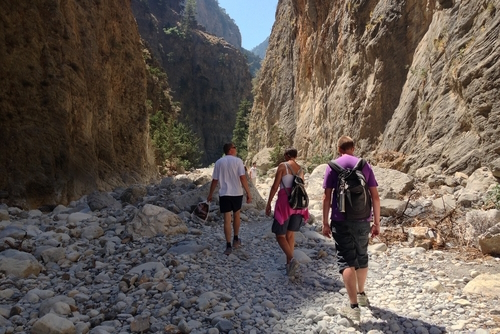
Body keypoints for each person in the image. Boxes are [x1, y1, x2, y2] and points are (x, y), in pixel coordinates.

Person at [322, 136, 381, 323]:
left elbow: (326, 197)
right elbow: (375, 197)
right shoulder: (365, 165)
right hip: (363, 219)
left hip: (341, 219)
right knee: (362, 255)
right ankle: (361, 293)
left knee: (346, 259)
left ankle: (353, 306)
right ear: (353, 148)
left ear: (339, 149)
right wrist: (376, 222)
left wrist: (325, 222)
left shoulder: (332, 166)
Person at [265, 148, 309, 276]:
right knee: (290, 235)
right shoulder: (301, 169)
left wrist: (268, 203)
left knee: (280, 235)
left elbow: (275, 186)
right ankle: (289, 265)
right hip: (298, 206)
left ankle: (293, 260)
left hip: (285, 203)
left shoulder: (283, 166)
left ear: (286, 155)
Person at [208, 143, 252, 255]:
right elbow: (242, 177)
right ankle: (236, 239)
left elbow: (215, 180)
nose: (236, 149)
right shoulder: (238, 161)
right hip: (237, 193)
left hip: (224, 194)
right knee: (237, 215)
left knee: (227, 219)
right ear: (230, 150)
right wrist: (248, 192)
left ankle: (228, 246)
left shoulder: (218, 162)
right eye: (235, 147)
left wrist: (210, 194)